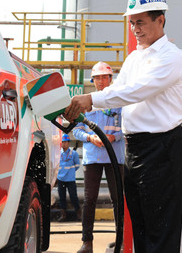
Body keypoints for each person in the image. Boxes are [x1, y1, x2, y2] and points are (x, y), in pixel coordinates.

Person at [64, 0, 182, 253]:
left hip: (161, 149)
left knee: (161, 227)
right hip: (134, 150)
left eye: (140, 22)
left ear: (160, 20)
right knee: (141, 224)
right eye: (132, 23)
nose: (135, 29)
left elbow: (136, 90)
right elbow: (117, 94)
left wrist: (91, 99)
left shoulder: (171, 57)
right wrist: (84, 107)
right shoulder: (134, 58)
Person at [73, 61, 125, 253]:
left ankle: (121, 239)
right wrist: (89, 137)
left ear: (111, 79)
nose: (101, 81)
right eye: (97, 78)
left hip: (115, 156)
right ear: (92, 80)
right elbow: (76, 131)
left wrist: (115, 136)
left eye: (105, 77)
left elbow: (127, 127)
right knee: (89, 199)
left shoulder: (119, 101)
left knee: (118, 199)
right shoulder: (85, 103)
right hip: (93, 157)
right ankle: (87, 242)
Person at [57, 133, 81, 222]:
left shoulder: (73, 153)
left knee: (73, 197)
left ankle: (79, 214)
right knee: (61, 197)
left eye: (65, 142)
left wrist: (70, 172)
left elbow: (77, 165)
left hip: (70, 179)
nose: (63, 144)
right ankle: (63, 215)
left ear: (68, 143)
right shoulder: (58, 153)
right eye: (62, 142)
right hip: (60, 179)